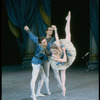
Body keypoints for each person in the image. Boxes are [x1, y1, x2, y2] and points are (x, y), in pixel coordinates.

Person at [49, 11, 76, 96]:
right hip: (62, 60)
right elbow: (64, 60)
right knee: (63, 72)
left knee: (68, 35)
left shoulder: (57, 47)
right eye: (54, 51)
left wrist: (56, 30)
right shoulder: (54, 57)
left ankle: (68, 20)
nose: (55, 51)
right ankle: (63, 87)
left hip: (65, 53)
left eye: (55, 49)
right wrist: (63, 51)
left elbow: (57, 38)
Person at [24, 26, 51, 100]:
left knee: (43, 77)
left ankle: (38, 92)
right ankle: (33, 95)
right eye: (44, 42)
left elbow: (32, 37)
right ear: (40, 43)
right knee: (34, 78)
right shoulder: (41, 48)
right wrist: (52, 52)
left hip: (40, 62)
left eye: (46, 41)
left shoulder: (39, 41)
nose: (46, 43)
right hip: (35, 62)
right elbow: (49, 53)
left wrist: (28, 30)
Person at [43, 25, 62, 95]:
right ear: (46, 31)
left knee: (56, 72)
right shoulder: (43, 39)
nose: (51, 31)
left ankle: (60, 84)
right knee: (47, 74)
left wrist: (56, 30)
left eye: (52, 30)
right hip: (46, 58)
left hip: (53, 57)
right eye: (49, 30)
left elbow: (57, 40)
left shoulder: (53, 39)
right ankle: (47, 90)